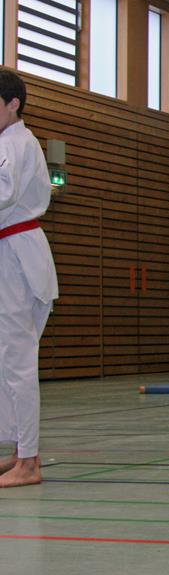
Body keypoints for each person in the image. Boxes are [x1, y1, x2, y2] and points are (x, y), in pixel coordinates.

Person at [0, 69, 58, 488]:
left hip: (17, 257)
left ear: (13, 103)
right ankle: (21, 450)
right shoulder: (13, 142)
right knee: (8, 358)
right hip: (17, 253)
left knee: (18, 360)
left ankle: (30, 461)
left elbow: (4, 194)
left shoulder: (15, 143)